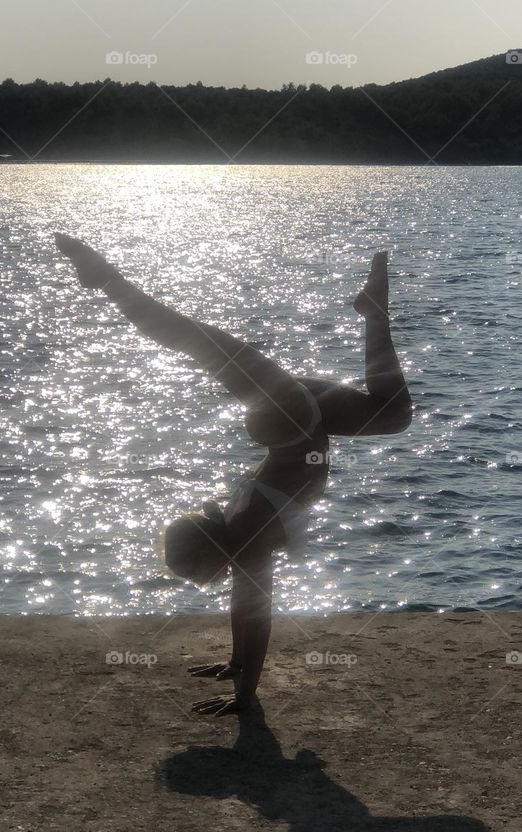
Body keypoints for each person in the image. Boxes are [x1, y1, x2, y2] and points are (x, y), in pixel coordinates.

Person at [55, 234, 412, 715]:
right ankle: (373, 312)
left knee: (193, 340)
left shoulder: (248, 537)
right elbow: (245, 608)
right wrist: (236, 663)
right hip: (298, 419)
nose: (203, 582)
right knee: (392, 415)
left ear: (212, 552)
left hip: (290, 417)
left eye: (198, 574)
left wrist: (244, 696)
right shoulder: (238, 534)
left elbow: (255, 615)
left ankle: (105, 278)